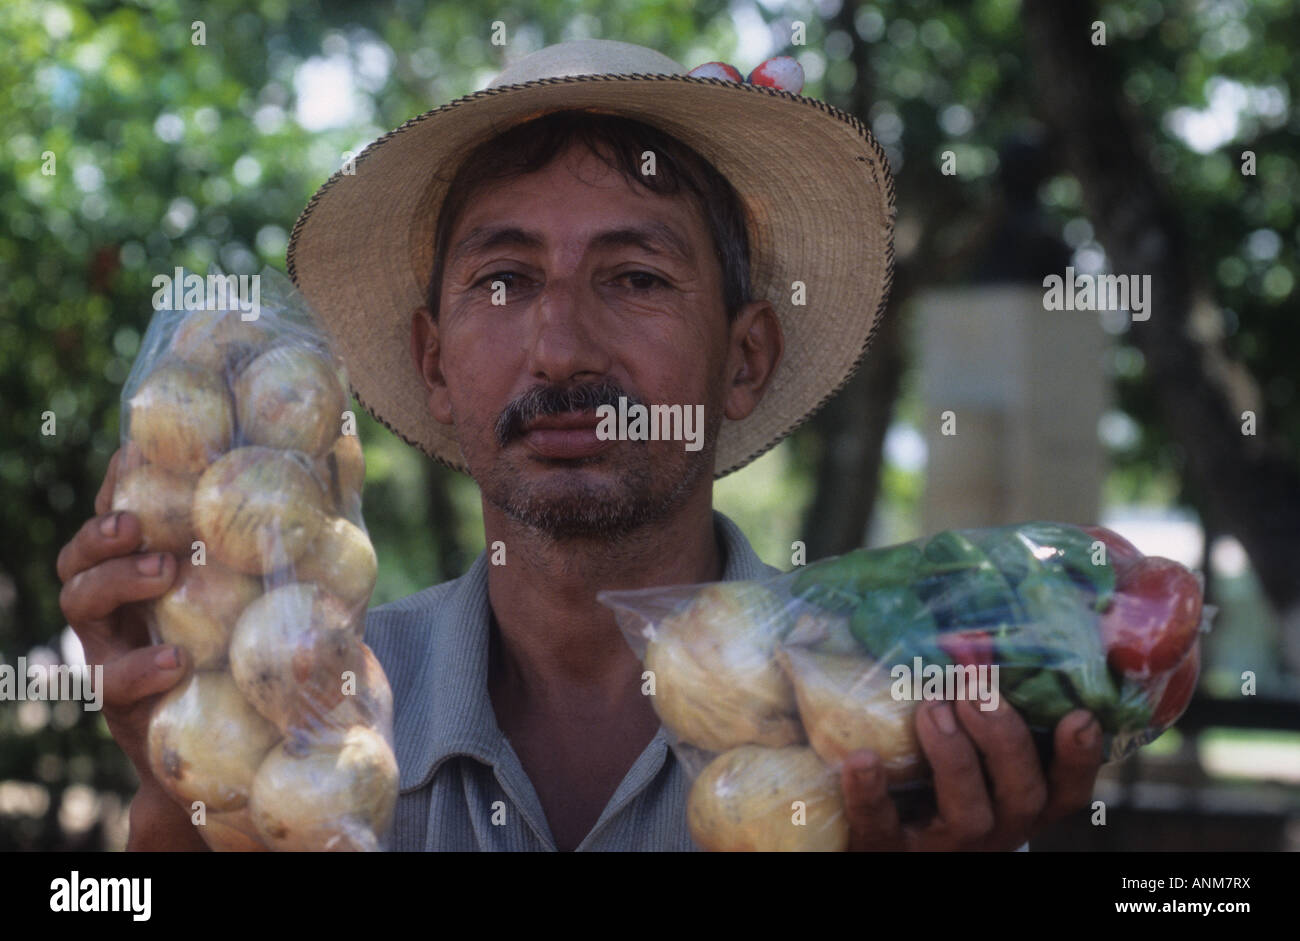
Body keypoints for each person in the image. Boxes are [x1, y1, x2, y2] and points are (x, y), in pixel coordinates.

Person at [57, 39, 1103, 851]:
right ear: (432, 361)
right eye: (503, 280)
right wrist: (178, 794)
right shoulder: (315, 693)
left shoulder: (885, 715)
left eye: (636, 278)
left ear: (743, 359)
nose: (559, 349)